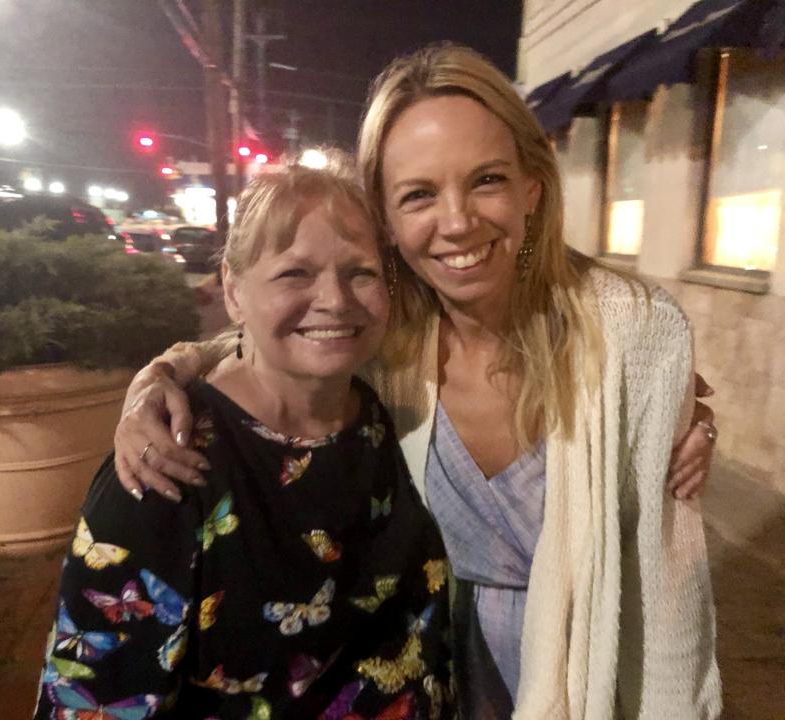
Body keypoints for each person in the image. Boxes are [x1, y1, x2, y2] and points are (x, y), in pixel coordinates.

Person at [110, 43, 722, 719]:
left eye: (487, 180)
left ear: (532, 189)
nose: (457, 221)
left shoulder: (632, 332)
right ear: (389, 224)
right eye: (419, 195)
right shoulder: (387, 337)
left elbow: (669, 584)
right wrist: (164, 374)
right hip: (421, 687)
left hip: (587, 688)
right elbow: (271, 340)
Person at [35, 162, 454, 719]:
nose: (335, 299)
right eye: (294, 274)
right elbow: (93, 699)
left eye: (361, 272)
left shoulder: (381, 410)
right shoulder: (166, 466)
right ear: (234, 291)